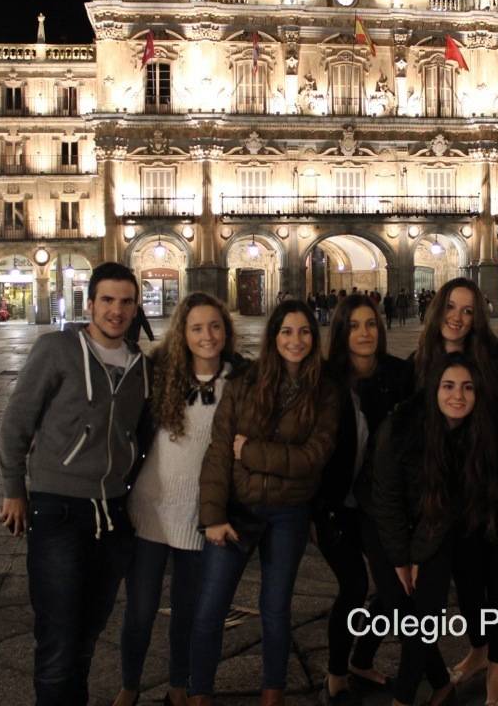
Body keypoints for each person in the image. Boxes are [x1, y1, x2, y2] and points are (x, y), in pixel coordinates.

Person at [0, 262, 152, 706]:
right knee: (58, 638)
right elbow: (17, 421)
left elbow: (139, 433)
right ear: (90, 304)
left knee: (87, 634)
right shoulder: (57, 350)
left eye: (126, 301)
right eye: (107, 300)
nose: (116, 311)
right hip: (58, 510)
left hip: (112, 515)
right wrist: (14, 488)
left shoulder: (141, 365)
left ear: (136, 306)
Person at [191, 300, 339, 706]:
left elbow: (313, 458)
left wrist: (252, 452)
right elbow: (220, 451)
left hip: (289, 513)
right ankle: (199, 694)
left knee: (276, 609)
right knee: (210, 608)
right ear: (273, 336)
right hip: (238, 510)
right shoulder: (243, 383)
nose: (296, 340)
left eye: (304, 331)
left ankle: (272, 694)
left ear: (315, 336)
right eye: (287, 331)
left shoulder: (325, 392)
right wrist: (212, 517)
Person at [113, 293, 244, 706]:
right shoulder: (160, 372)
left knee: (186, 612)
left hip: (199, 515)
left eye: (215, 326)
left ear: (226, 330)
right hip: (150, 509)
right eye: (197, 328)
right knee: (140, 611)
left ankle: (178, 685)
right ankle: (129, 685)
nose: (208, 336)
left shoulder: (241, 379)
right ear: (182, 334)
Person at [368, 353, 498, 706]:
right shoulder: (400, 427)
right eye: (448, 386)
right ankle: (441, 684)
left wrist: (419, 556)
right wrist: (401, 558)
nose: (457, 396)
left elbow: (446, 509)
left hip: (434, 530)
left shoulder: (476, 437)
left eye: (467, 388)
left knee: (426, 615)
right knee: (404, 615)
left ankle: (403, 699)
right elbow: (385, 498)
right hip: (385, 525)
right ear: (433, 390)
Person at [315, 295, 413, 704]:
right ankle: (337, 670)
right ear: (341, 332)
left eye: (370, 324)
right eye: (354, 326)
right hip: (335, 506)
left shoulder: (398, 374)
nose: (364, 333)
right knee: (353, 588)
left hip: (379, 506)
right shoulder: (324, 379)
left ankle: (363, 657)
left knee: (393, 591)